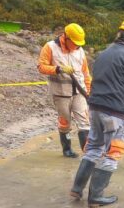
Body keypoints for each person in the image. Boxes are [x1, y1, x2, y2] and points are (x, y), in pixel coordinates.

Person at [69, 18, 124, 207]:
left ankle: (77, 189)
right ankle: (95, 196)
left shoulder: (103, 54)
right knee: (114, 151)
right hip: (114, 113)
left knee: (93, 147)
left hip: (95, 108)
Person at [37, 23, 91, 158]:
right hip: (60, 93)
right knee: (65, 121)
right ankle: (67, 149)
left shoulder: (80, 50)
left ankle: (88, 154)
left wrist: (89, 91)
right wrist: (58, 69)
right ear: (66, 37)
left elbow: (85, 73)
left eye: (79, 43)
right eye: (75, 43)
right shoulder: (50, 47)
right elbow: (41, 67)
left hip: (79, 92)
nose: (77, 46)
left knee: (84, 121)